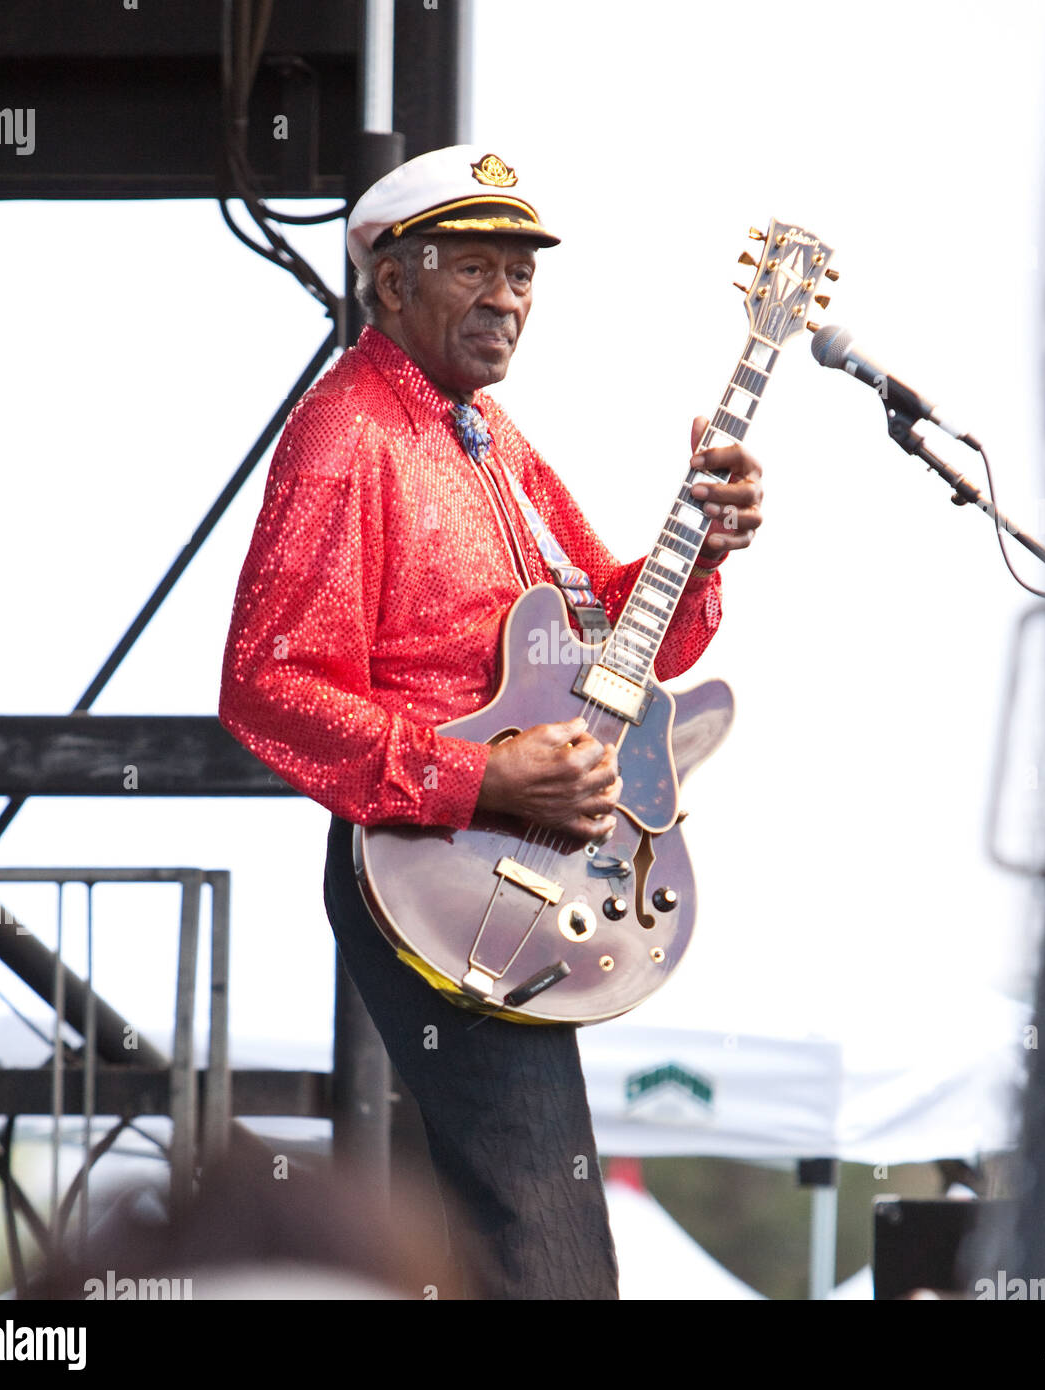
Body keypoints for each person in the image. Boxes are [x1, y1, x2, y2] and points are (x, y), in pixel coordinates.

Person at [218, 145, 764, 1299]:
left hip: (496, 861)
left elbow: (615, 649)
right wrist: (484, 784)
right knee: (543, 1241)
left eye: (521, 274)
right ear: (391, 283)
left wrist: (698, 548)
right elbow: (267, 686)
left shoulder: (492, 439)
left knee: (517, 1231)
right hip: (440, 858)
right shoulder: (344, 436)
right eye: (474, 267)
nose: (508, 297)